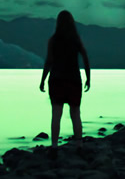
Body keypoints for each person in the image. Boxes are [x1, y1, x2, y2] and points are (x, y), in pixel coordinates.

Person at [39, 10, 91, 153]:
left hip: (56, 80)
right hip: (73, 80)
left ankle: (54, 145)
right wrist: (88, 78)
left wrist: (42, 80)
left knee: (56, 113)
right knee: (75, 113)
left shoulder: (53, 39)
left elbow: (49, 61)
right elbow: (85, 57)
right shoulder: (76, 40)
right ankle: (79, 145)